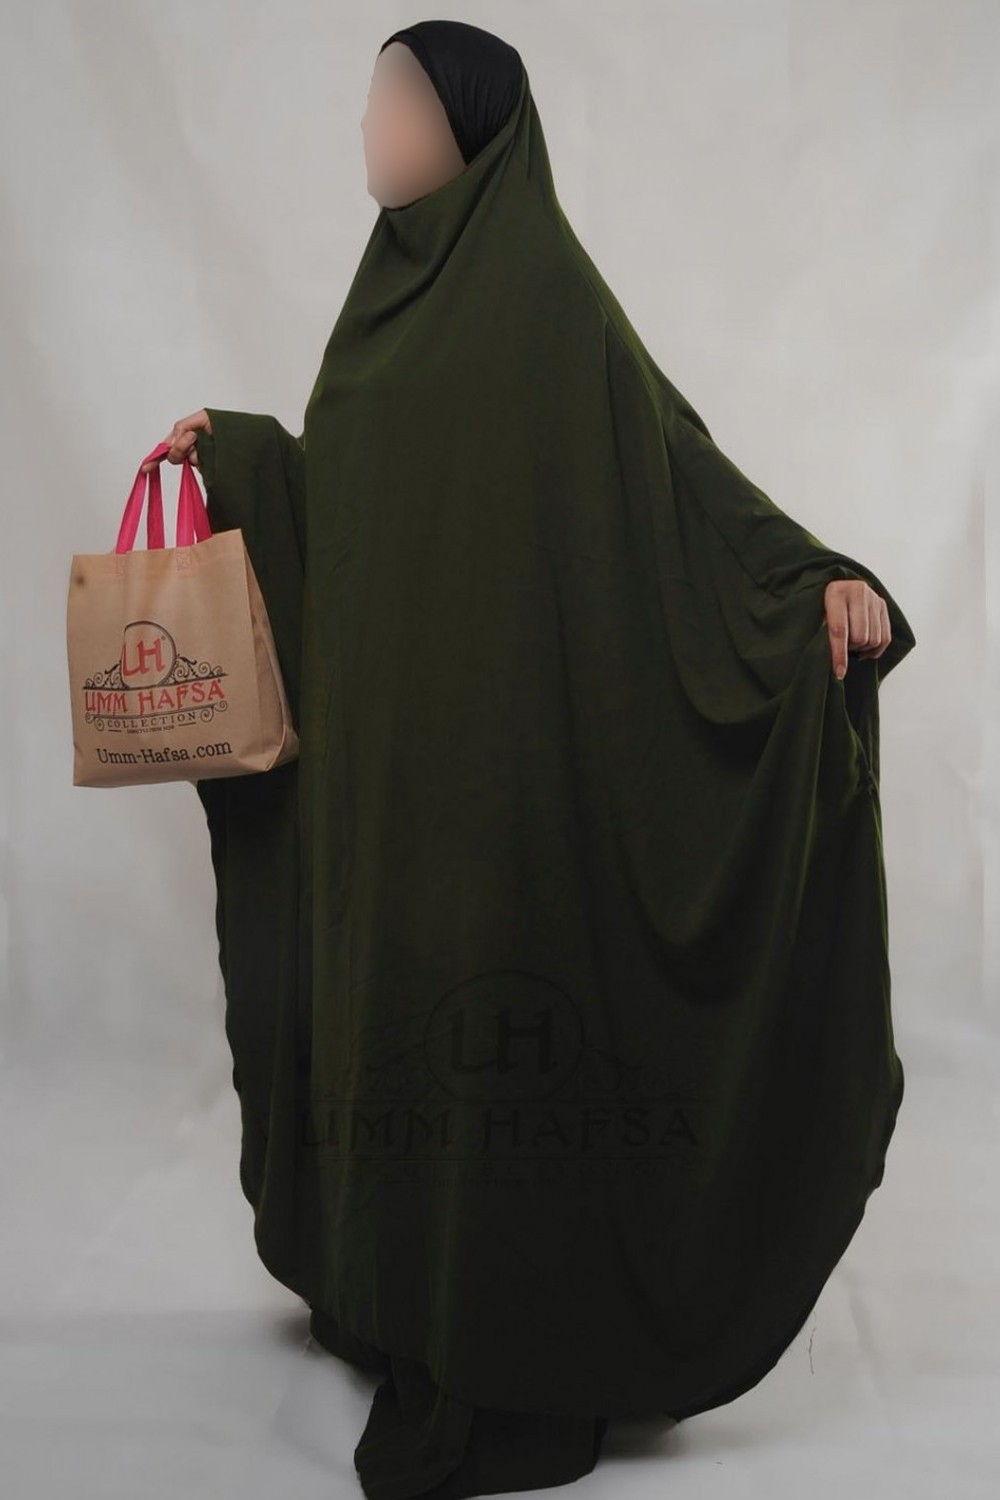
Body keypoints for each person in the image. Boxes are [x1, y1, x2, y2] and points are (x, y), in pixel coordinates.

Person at [160, 20, 916, 1500]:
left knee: (495, 1061)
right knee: (397, 1035)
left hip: (508, 792)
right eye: (371, 96)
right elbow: (358, 518)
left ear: (473, 127)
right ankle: (398, 1294)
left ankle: (507, 1342)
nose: (368, 124)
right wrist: (245, 457)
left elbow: (685, 481)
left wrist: (818, 579)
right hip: (388, 794)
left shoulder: (551, 304)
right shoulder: (379, 308)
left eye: (396, 98)